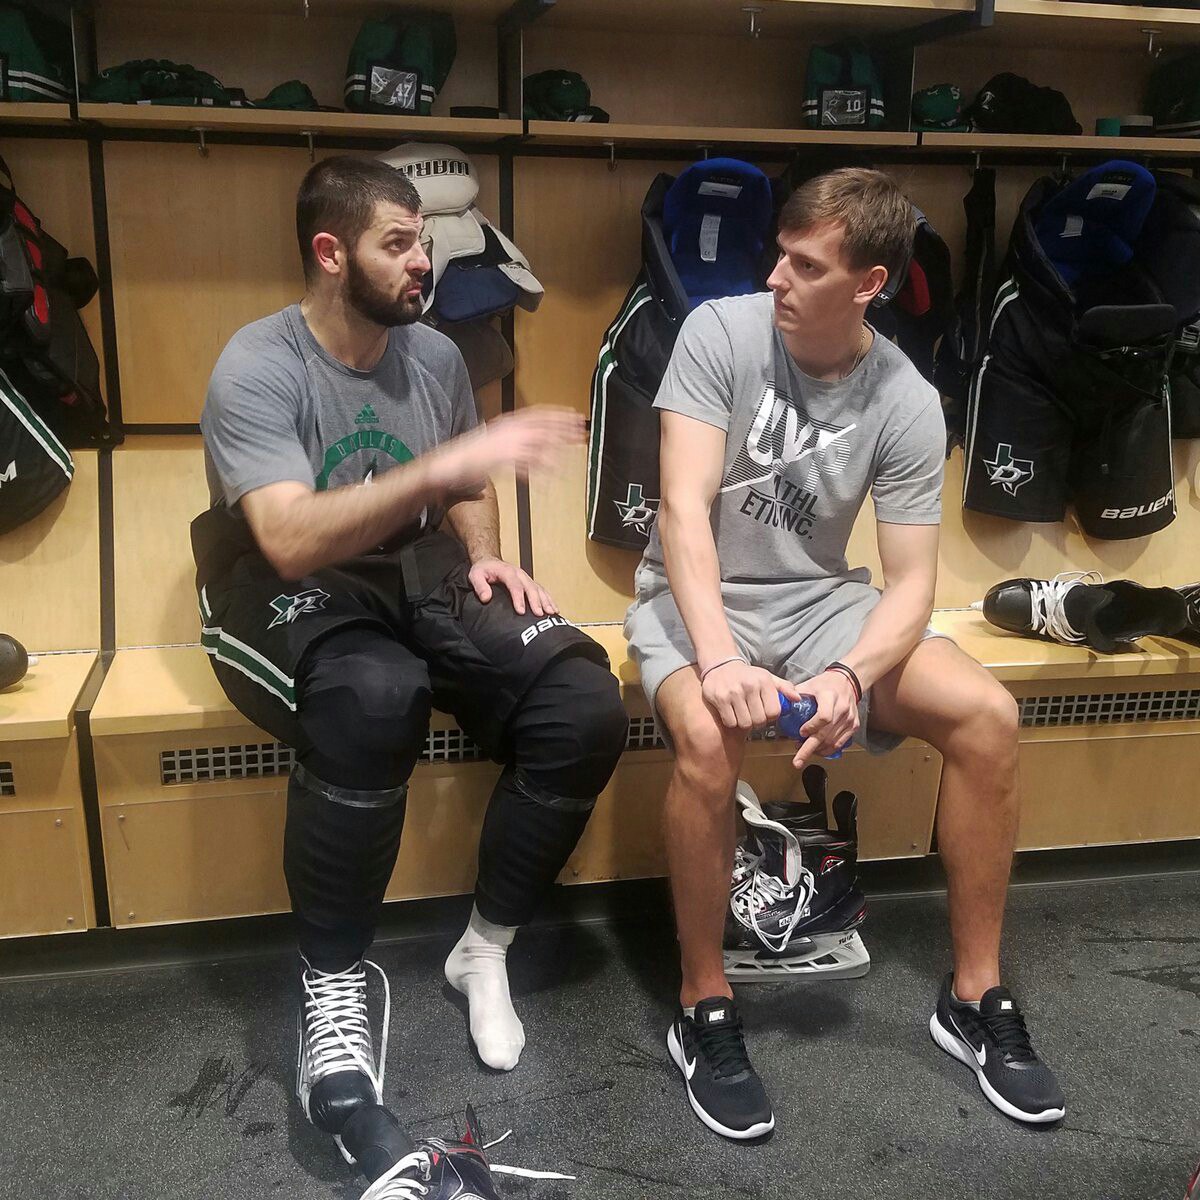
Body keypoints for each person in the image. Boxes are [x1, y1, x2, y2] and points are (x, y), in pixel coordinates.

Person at [190, 155, 627, 1189]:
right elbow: (289, 538)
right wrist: (438, 470)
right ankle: (332, 986)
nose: (422, 261)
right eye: (398, 243)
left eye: (424, 241)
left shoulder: (432, 353)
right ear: (330, 252)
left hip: (412, 568)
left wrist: (484, 554)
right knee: (374, 698)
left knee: (583, 702)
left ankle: (485, 946)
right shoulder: (257, 363)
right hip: (282, 582)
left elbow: (465, 480)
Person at [624, 167, 1065, 1141]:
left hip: (821, 602)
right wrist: (721, 662)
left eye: (806, 265)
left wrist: (847, 675)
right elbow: (682, 511)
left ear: (869, 283)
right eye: (780, 253)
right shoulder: (719, 333)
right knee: (708, 737)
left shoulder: (904, 397)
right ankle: (704, 1003)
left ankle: (975, 996)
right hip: (693, 597)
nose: (776, 276)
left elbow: (910, 583)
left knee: (988, 718)